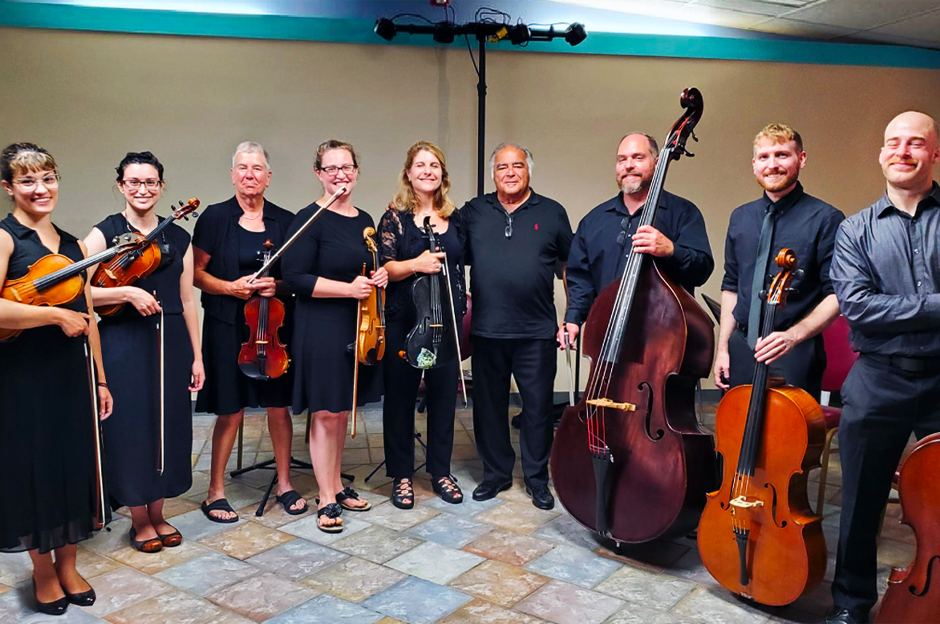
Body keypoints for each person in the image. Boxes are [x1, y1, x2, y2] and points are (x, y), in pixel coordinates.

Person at [827, 111, 940, 624]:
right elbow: (858, 308)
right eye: (892, 142)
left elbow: (880, 307)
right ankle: (851, 606)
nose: (902, 151)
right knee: (860, 502)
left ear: (933, 154)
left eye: (915, 143)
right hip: (878, 378)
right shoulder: (854, 230)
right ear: (880, 154)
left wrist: (895, 309)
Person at [0, 143, 113, 615]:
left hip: (72, 372)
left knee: (72, 466)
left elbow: (87, 316)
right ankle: (42, 571)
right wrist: (51, 319)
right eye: (27, 181)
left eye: (47, 177)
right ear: (9, 188)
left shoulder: (72, 245)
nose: (40, 188)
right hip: (23, 376)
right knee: (35, 470)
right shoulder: (5, 238)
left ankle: (67, 563)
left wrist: (102, 380)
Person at [84, 151, 204, 552]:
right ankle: (138, 517)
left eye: (150, 182)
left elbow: (188, 300)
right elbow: (77, 291)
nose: (142, 189)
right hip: (123, 341)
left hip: (170, 339)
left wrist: (197, 356)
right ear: (120, 185)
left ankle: (158, 511)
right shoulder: (105, 232)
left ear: (161, 186)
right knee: (133, 429)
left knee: (168, 427)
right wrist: (126, 291)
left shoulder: (179, 236)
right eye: (133, 182)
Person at [192, 141, 304, 523]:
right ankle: (215, 492)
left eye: (257, 169)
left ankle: (286, 484)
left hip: (272, 326)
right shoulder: (214, 218)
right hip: (228, 326)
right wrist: (229, 287)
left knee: (278, 405)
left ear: (268, 178)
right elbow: (196, 274)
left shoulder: (285, 221)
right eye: (242, 168)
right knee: (230, 408)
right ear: (232, 175)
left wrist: (280, 285)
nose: (249, 175)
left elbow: (295, 276)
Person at [282, 139, 388, 532]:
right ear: (319, 174)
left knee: (343, 410)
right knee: (325, 412)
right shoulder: (308, 219)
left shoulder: (366, 220)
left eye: (347, 167)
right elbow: (293, 278)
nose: (341, 175)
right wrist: (349, 289)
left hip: (357, 325)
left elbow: (368, 266)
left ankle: (337, 484)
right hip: (321, 326)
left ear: (357, 172)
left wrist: (379, 276)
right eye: (332, 169)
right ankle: (326, 497)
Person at [460, 142, 573, 510]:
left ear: (529, 171)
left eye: (518, 166)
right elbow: (445, 245)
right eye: (502, 167)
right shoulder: (474, 212)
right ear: (493, 173)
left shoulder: (553, 213)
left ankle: (538, 480)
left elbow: (569, 268)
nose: (510, 172)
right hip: (487, 330)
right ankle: (495, 475)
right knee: (489, 408)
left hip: (537, 332)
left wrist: (571, 318)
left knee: (538, 409)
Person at [714, 124, 844, 399]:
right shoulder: (740, 217)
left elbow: (837, 294)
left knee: (791, 439)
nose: (772, 165)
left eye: (782, 155)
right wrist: (723, 347)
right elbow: (731, 286)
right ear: (754, 165)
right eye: (764, 157)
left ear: (802, 159)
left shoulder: (826, 218)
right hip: (742, 346)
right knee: (735, 434)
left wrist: (794, 336)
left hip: (794, 348)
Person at [378, 141, 467, 509]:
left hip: (445, 320)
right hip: (405, 319)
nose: (428, 170)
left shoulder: (456, 217)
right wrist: (418, 263)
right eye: (420, 165)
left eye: (434, 165)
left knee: (444, 397)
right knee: (400, 397)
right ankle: (401, 474)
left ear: (442, 174)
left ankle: (440, 470)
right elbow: (385, 268)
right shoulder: (394, 218)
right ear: (409, 173)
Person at [561, 132, 713, 347]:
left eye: (638, 158)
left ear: (657, 163)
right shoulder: (593, 221)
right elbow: (581, 280)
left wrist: (671, 250)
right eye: (622, 159)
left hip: (665, 342)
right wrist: (574, 318)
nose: (628, 165)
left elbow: (702, 270)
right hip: (608, 339)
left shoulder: (683, 212)